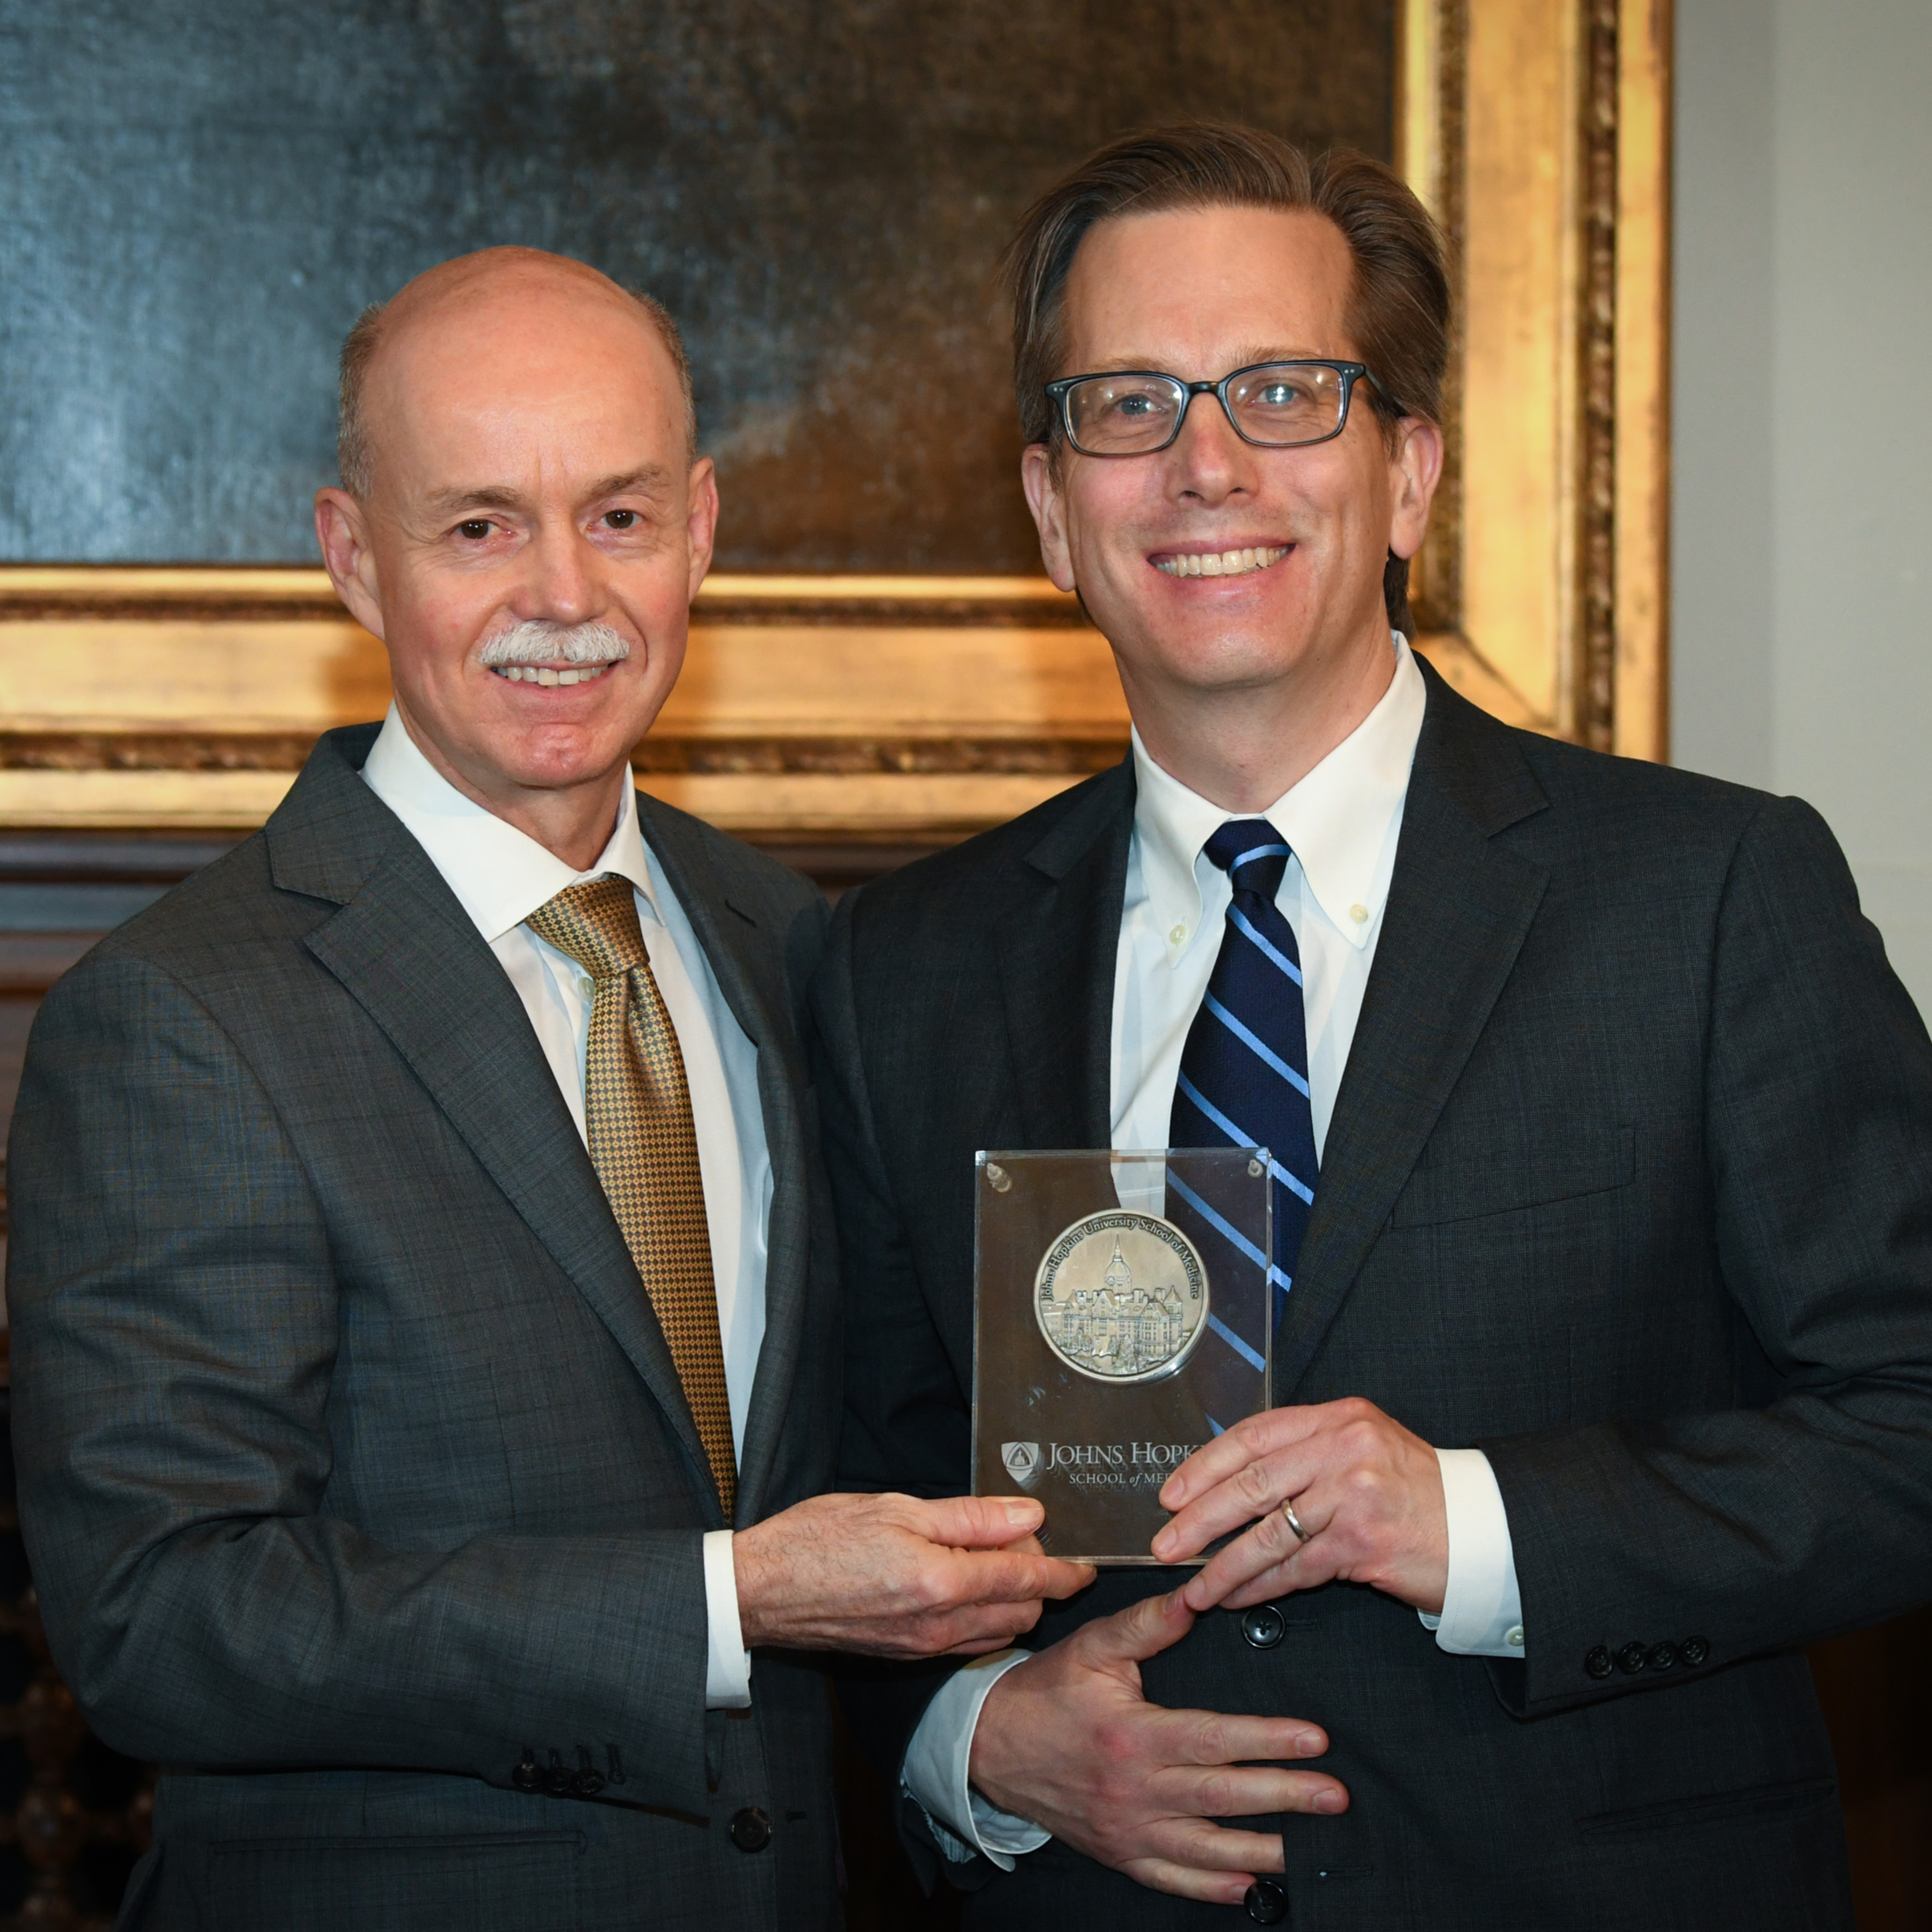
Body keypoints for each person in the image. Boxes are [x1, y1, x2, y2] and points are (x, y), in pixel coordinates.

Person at [813, 126, 1932, 1928]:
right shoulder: (900, 969)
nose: (1204, 464)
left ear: (1406, 472)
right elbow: (847, 1493)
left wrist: (1473, 1524)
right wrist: (972, 1735)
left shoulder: (1709, 896)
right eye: (1127, 405)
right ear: (1049, 508)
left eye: (1282, 391)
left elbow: (1911, 1421)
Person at [8, 246, 1087, 1931]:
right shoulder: (180, 1018)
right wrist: (732, 1603)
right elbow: (167, 1619)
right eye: (479, 525)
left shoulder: (802, 950)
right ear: (354, 559)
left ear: (704, 531)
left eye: (622, 517)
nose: (564, 594)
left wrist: (1005, 1717)